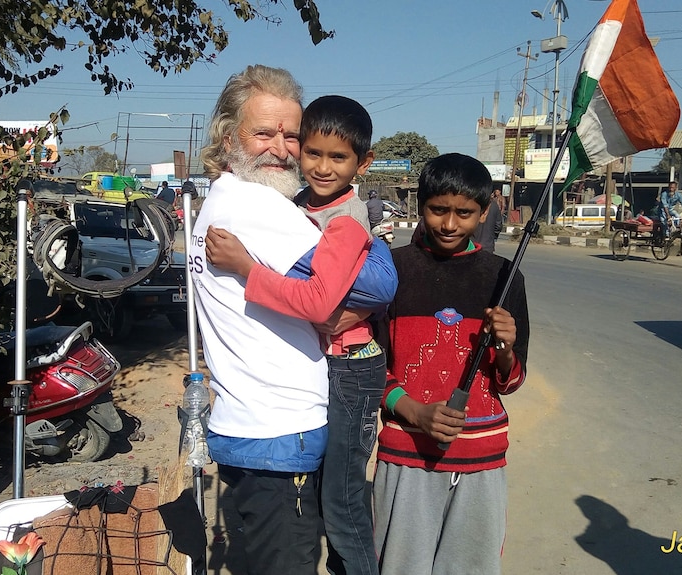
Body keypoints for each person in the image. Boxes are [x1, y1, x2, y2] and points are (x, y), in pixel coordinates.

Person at [205, 94, 394, 575]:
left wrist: (247, 268)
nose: (319, 166)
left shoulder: (346, 220)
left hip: (352, 368)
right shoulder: (292, 202)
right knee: (326, 493)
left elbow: (327, 299)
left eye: (338, 158)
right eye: (311, 151)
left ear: (362, 164)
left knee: (342, 498)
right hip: (331, 362)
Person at [189, 65, 327, 575]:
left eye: (292, 135)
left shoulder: (224, 200)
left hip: (250, 429)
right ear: (229, 138)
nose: (282, 147)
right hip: (279, 431)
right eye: (264, 132)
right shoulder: (257, 205)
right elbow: (367, 283)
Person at [373, 153, 530, 575]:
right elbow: (370, 366)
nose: (449, 224)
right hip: (407, 453)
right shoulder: (391, 270)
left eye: (464, 213)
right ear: (420, 206)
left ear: (484, 212)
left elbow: (511, 381)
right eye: (438, 210)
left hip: (482, 457)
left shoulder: (504, 277)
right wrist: (414, 411)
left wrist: (505, 348)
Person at [472, 186, 504, 253]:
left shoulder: (473, 204)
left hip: (473, 244)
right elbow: (498, 226)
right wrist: (492, 237)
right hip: (488, 245)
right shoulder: (494, 205)